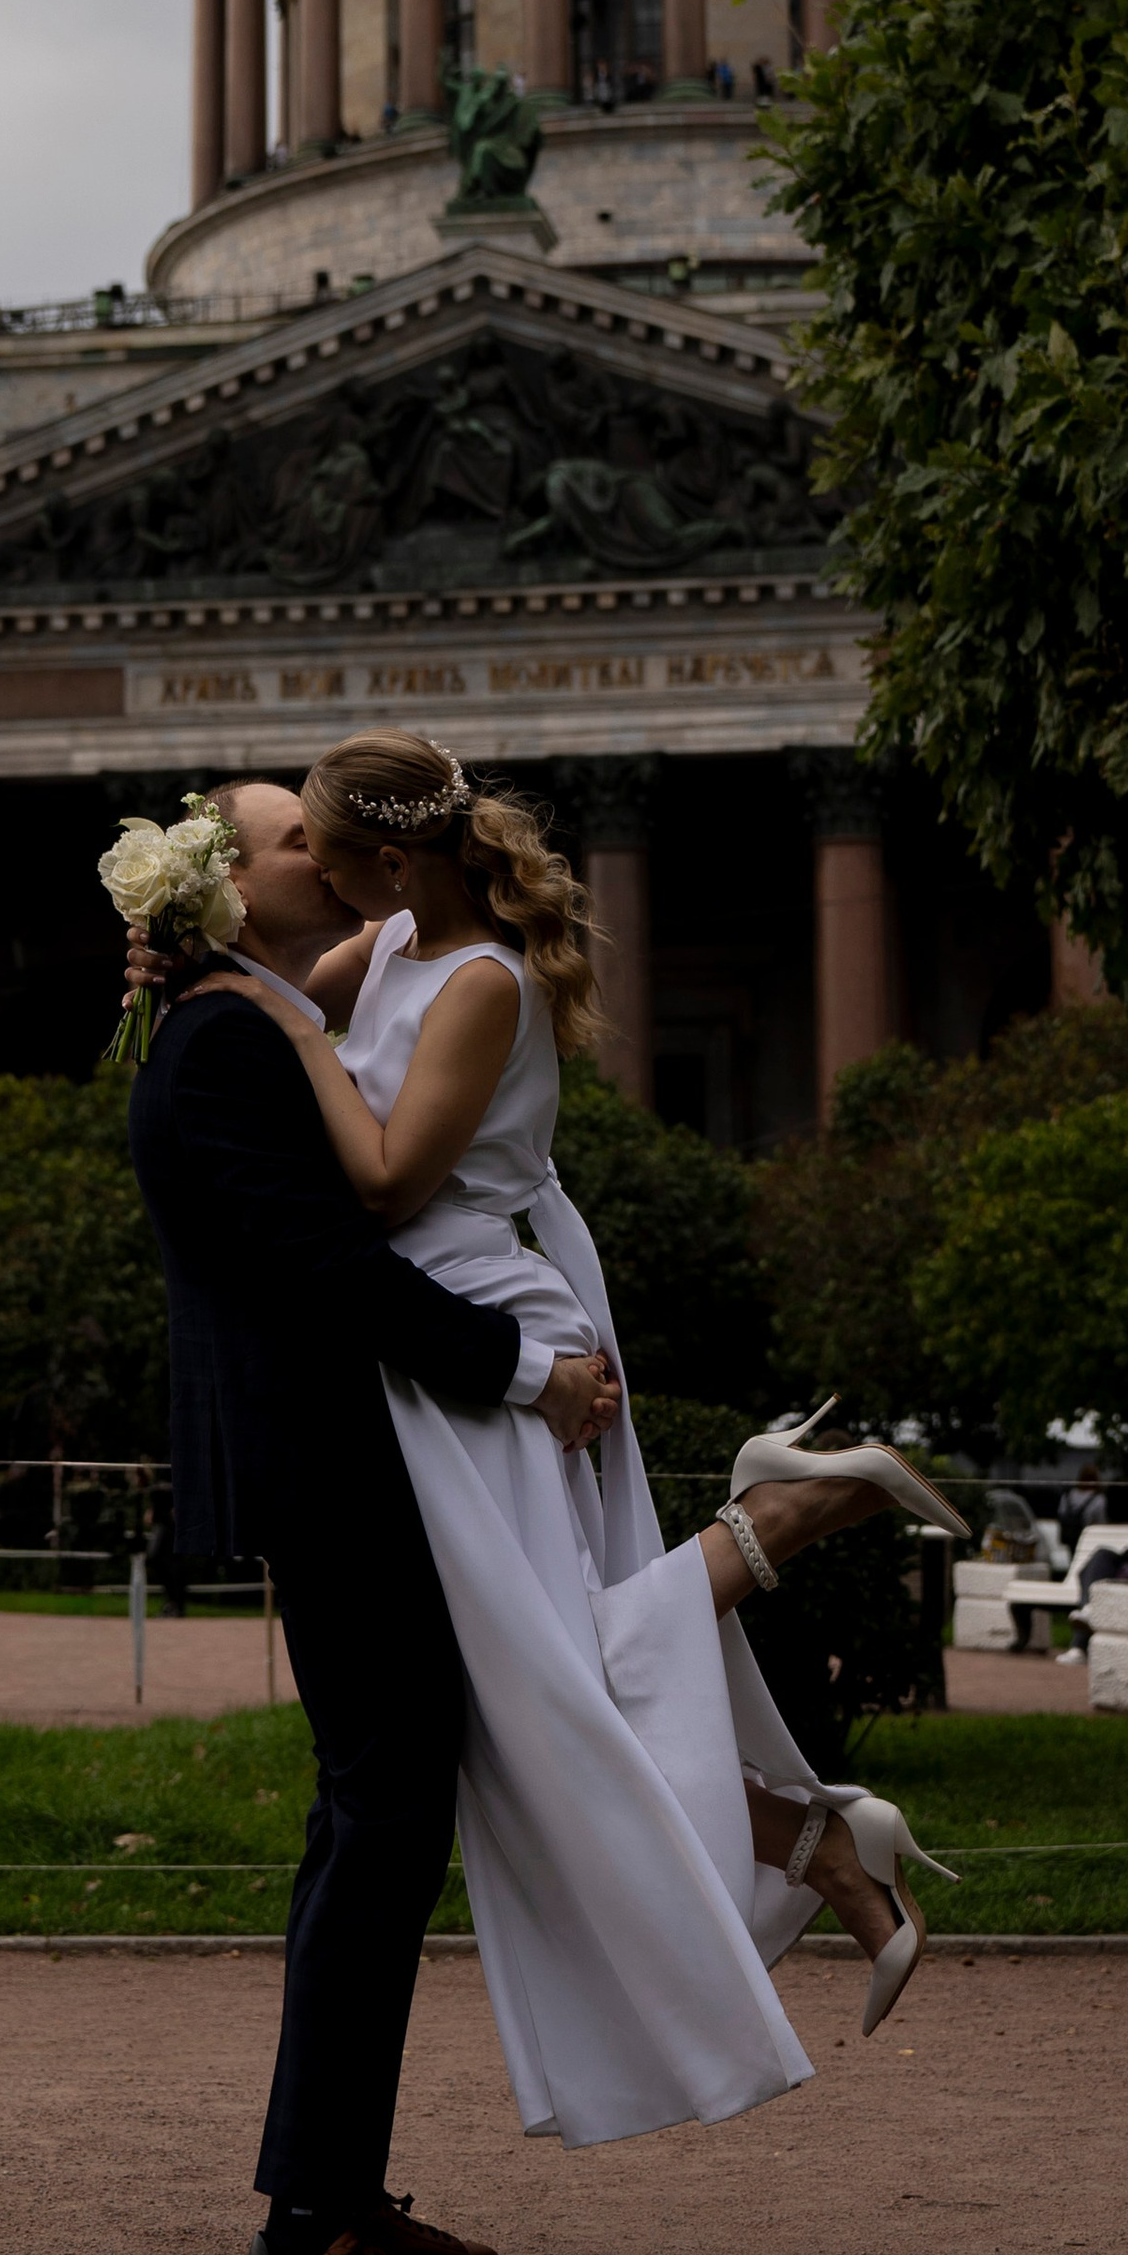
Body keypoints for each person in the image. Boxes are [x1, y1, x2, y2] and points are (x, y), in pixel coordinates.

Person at [209, 727, 969, 2175]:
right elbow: (257, 1003)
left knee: (535, 1681)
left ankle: (794, 1527)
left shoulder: (482, 980)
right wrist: (192, 970)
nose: (307, 870)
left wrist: (299, 1039)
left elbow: (376, 1185)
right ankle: (820, 1836)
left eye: (321, 846)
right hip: (429, 1339)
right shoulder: (380, 956)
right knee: (526, 1697)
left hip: (482, 1335)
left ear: (384, 859)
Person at [127, 776, 621, 2255]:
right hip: (333, 1468)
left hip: (357, 1460)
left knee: (381, 1821)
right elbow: (329, 1263)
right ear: (238, 890)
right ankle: (300, 2241)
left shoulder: (264, 1003)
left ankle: (332, 2194)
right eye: (295, 845)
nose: (330, 863)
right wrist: (520, 1367)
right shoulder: (224, 1035)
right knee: (382, 1818)